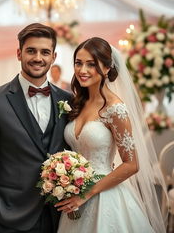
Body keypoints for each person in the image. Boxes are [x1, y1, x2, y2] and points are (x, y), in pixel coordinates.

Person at [0, 23, 72, 233]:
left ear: (54, 57)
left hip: (61, 216)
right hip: (10, 218)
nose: (38, 58)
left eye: (45, 52)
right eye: (31, 50)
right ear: (18, 53)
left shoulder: (68, 100)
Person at [55, 37, 166, 233]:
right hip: (74, 196)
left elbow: (132, 164)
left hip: (105, 197)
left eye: (91, 64)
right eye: (78, 63)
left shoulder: (116, 109)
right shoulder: (76, 103)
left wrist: (87, 194)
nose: (82, 70)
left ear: (107, 68)